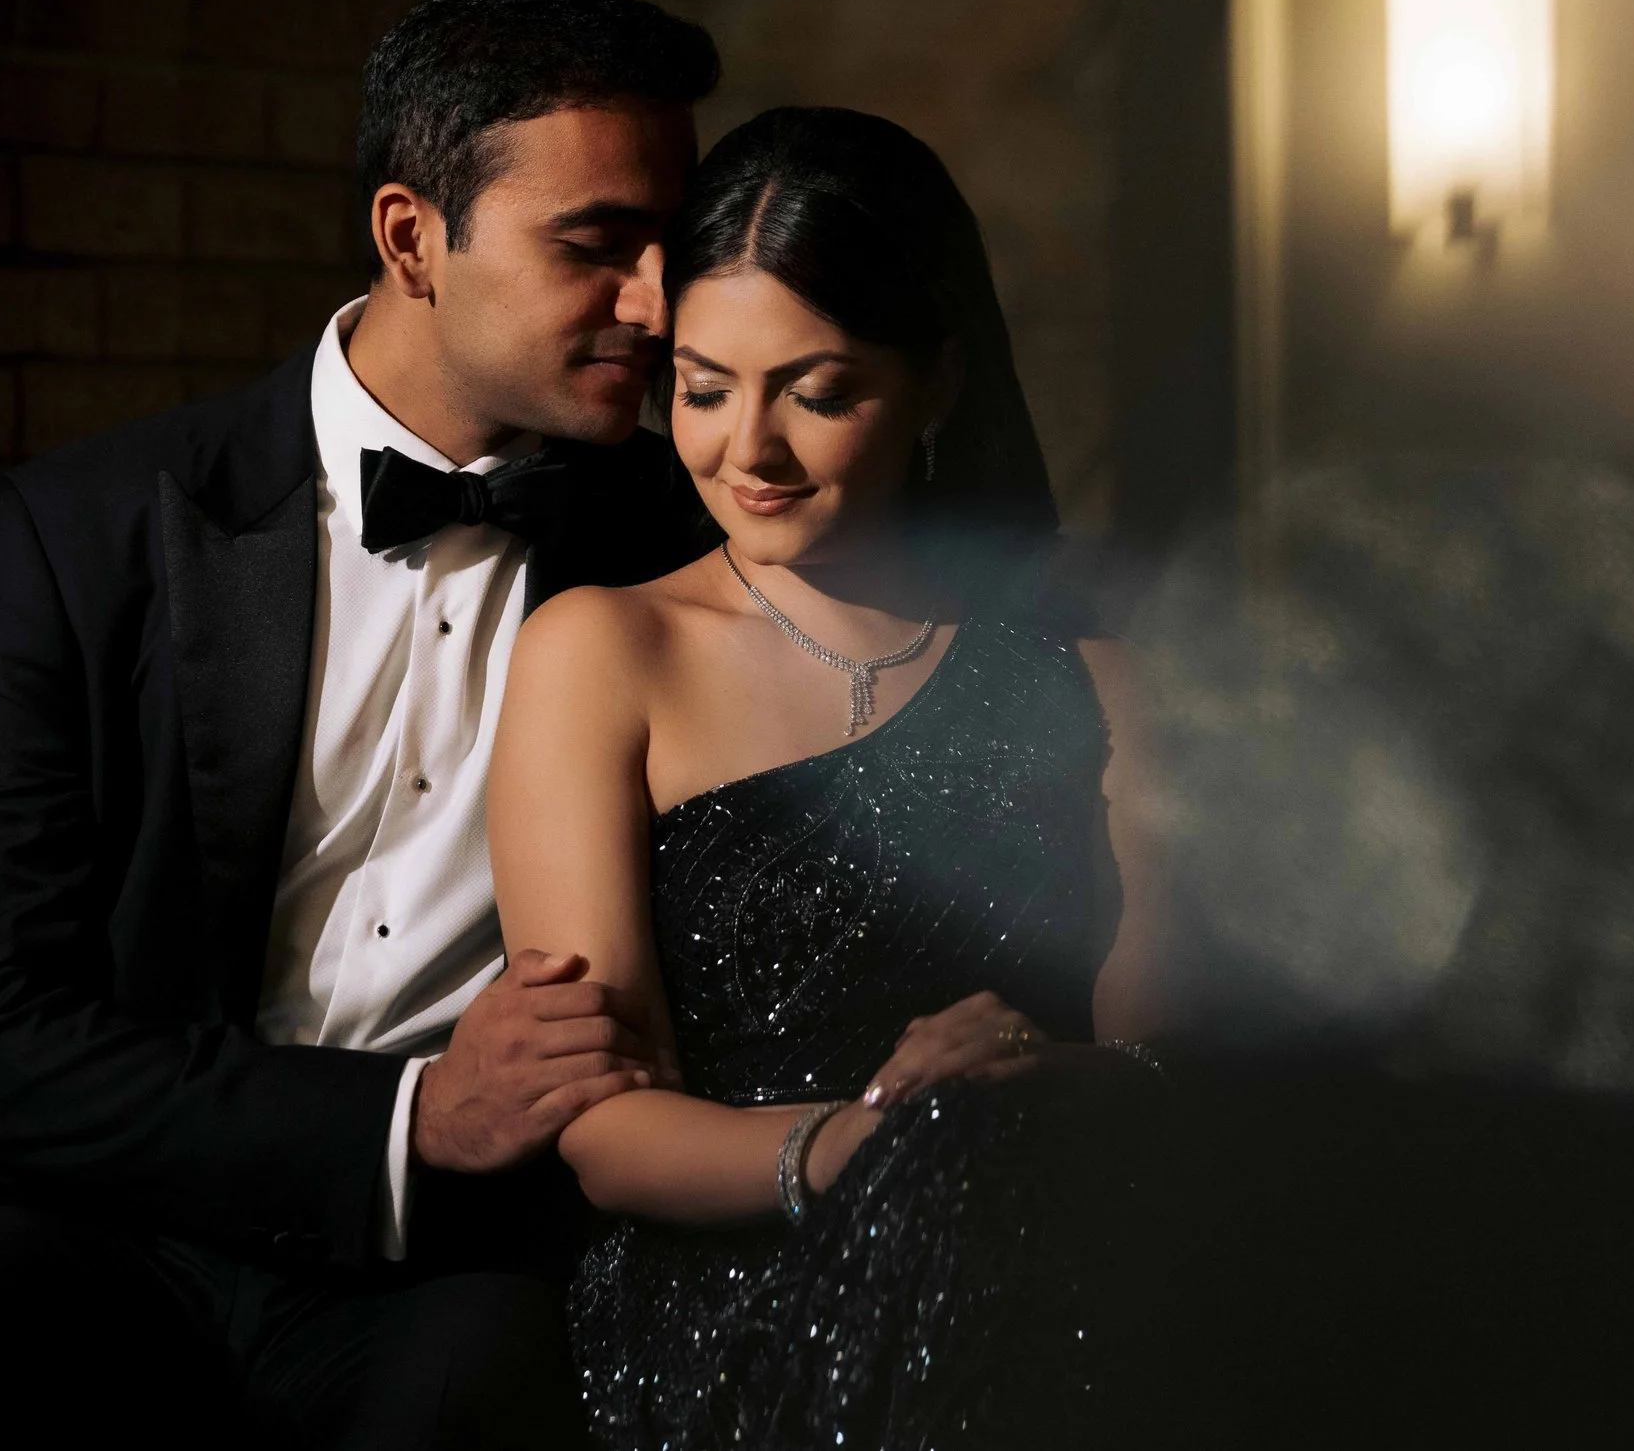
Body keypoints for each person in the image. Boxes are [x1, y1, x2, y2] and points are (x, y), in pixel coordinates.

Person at [0, 0, 722, 1451]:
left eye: (673, 245)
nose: (656, 303)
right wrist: (403, 1125)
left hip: (459, 1254)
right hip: (98, 1212)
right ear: (413, 237)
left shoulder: (683, 542)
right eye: (597, 245)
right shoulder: (87, 532)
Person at [489, 107, 1173, 1450]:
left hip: (1040, 1245)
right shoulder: (603, 651)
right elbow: (605, 1127)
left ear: (938, 384)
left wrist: (1029, 1078)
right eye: (703, 387)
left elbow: (1166, 1060)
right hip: (735, 1283)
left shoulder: (1099, 674)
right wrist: (867, 1147)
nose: (750, 449)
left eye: (817, 391)